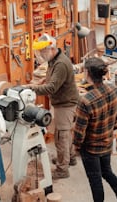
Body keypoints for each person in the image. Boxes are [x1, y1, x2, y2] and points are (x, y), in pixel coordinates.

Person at [73, 57, 117, 202]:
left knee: (95, 180)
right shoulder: (114, 90)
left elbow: (79, 132)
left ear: (87, 73)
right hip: (107, 143)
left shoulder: (85, 101)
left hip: (91, 148)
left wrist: (76, 146)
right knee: (107, 172)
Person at [25, 33, 79, 179]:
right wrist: (43, 80)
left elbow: (52, 88)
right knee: (65, 133)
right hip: (62, 102)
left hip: (66, 104)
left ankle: (62, 169)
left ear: (52, 48)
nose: (41, 54)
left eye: (43, 52)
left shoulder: (60, 63)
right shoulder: (54, 60)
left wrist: (32, 88)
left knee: (61, 135)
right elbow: (52, 77)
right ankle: (70, 158)